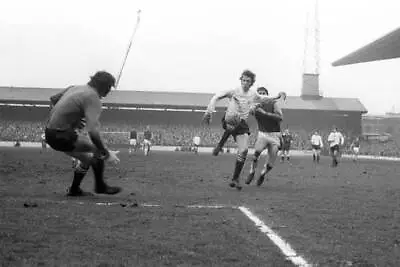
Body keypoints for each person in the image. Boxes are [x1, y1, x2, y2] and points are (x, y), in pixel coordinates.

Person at [45, 71, 121, 196]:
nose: (109, 92)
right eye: (109, 88)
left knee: (88, 159)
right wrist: (106, 153)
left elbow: (53, 100)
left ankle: (74, 190)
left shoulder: (74, 88)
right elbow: (93, 132)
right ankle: (100, 187)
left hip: (50, 133)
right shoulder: (93, 98)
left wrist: (71, 118)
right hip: (62, 135)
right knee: (98, 151)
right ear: (103, 86)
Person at [202, 69, 281, 190]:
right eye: (243, 80)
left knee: (244, 151)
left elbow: (265, 98)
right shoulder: (234, 91)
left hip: (241, 124)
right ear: (241, 80)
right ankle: (219, 146)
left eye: (247, 81)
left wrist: (277, 96)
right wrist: (209, 112)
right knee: (233, 120)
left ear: (251, 83)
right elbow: (216, 97)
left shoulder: (253, 94)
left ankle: (235, 178)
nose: (244, 83)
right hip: (229, 118)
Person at [246, 87, 285, 186]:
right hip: (263, 133)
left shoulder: (273, 104)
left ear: (267, 95)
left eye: (264, 93)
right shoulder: (255, 105)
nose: (262, 95)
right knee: (256, 154)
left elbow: (280, 118)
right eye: (260, 93)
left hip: (275, 135)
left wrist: (265, 113)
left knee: (270, 164)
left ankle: (263, 174)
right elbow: (248, 111)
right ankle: (252, 172)